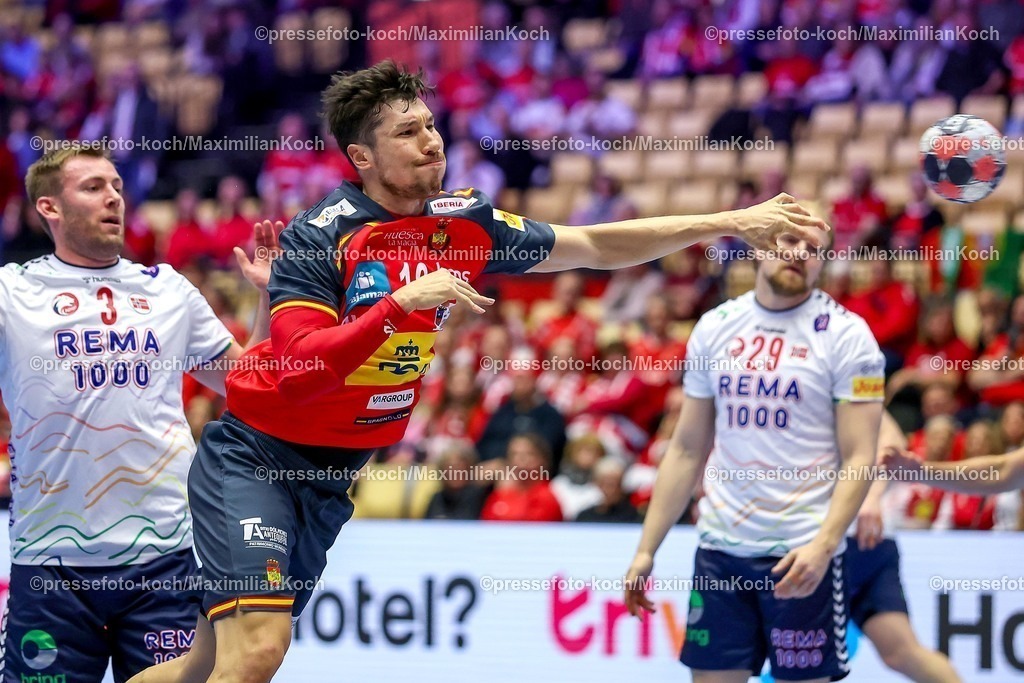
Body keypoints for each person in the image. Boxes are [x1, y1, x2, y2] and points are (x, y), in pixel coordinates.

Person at [130, 60, 828, 683]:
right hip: (256, 459)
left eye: (431, 125)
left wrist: (729, 219)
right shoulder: (324, 234)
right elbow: (299, 368)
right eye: (408, 132)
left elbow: (595, 244)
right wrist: (400, 305)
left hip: (333, 476)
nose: (431, 140)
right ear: (362, 156)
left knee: (199, 667)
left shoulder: (464, 224)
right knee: (257, 653)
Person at [0, 146, 275, 683]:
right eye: (94, 187)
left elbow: (250, 385)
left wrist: (268, 300)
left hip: (164, 559)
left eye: (118, 187)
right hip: (51, 565)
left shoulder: (167, 288)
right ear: (49, 207)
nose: (113, 199)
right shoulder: (12, 292)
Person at [623, 233, 884, 683]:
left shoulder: (848, 336)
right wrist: (647, 549)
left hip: (802, 554)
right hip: (721, 552)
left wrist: (823, 546)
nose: (800, 254)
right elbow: (686, 449)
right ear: (762, 245)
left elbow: (861, 455)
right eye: (790, 241)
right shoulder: (716, 325)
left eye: (814, 249)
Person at [845, 411, 962, 683]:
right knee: (900, 653)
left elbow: (892, 439)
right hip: (864, 540)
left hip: (845, 542)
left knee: (802, 658)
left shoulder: (839, 383)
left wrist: (871, 497)